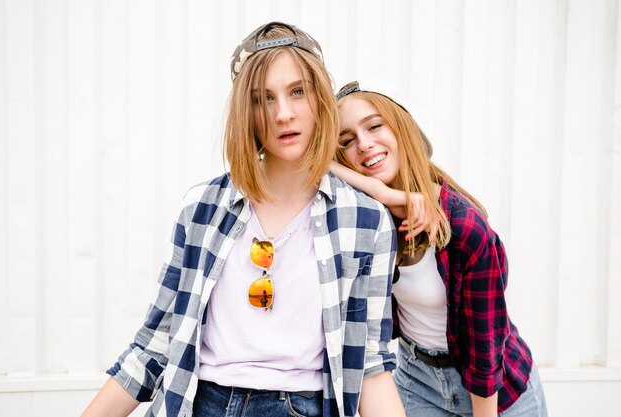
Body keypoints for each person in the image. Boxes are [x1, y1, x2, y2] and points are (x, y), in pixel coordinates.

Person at [80, 24, 406, 417]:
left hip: (298, 406)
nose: (282, 113)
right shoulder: (204, 207)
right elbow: (157, 342)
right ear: (245, 113)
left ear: (320, 99)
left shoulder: (365, 222)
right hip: (199, 403)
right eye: (262, 99)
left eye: (297, 91)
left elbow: (370, 360)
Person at [330, 80, 548, 417]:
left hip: (497, 393)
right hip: (417, 381)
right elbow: (301, 167)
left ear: (402, 129)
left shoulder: (463, 226)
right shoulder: (371, 221)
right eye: (346, 141)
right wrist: (386, 193)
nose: (364, 144)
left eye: (374, 126)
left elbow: (484, 344)